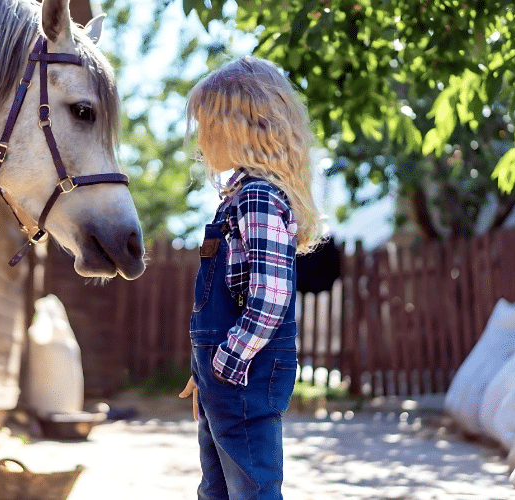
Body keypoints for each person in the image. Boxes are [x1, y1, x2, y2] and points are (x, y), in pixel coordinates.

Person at [178, 56, 325, 500]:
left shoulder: (258, 197)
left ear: (241, 125)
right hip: (223, 373)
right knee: (217, 487)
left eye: (206, 124)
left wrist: (224, 363)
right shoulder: (238, 198)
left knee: (253, 488)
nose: (200, 138)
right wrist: (200, 373)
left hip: (242, 370)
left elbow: (270, 296)